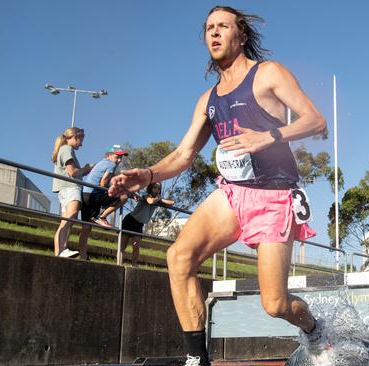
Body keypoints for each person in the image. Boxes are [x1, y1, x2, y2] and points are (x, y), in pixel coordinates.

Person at [109, 6, 328, 366]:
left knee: (275, 304)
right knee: (178, 257)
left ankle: (314, 328)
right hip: (232, 193)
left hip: (274, 195)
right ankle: (197, 359)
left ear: (240, 36)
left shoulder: (268, 74)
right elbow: (183, 155)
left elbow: (316, 120)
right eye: (209, 28)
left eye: (222, 26)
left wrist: (267, 137)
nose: (213, 33)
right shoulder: (207, 100)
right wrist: (146, 174)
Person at [78, 144, 129, 260]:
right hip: (94, 195)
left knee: (86, 227)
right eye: (117, 157)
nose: (120, 160)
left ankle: (83, 255)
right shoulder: (110, 165)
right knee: (124, 197)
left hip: (85, 194)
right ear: (109, 155)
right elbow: (103, 182)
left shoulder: (101, 163)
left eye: (121, 157)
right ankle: (102, 216)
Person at [51, 127, 92, 258]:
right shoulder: (67, 149)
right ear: (74, 137)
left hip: (65, 188)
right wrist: (85, 169)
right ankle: (61, 250)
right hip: (70, 187)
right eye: (81, 140)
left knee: (68, 219)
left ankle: (61, 251)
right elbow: (72, 172)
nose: (82, 144)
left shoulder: (64, 149)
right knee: (70, 216)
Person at [118, 182, 174, 267]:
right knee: (122, 245)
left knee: (136, 246)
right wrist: (159, 199)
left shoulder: (158, 199)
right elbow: (150, 201)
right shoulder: (146, 195)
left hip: (139, 224)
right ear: (150, 188)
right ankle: (119, 264)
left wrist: (161, 199)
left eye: (159, 189)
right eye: (155, 188)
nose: (157, 190)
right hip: (130, 220)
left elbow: (171, 202)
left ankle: (134, 265)